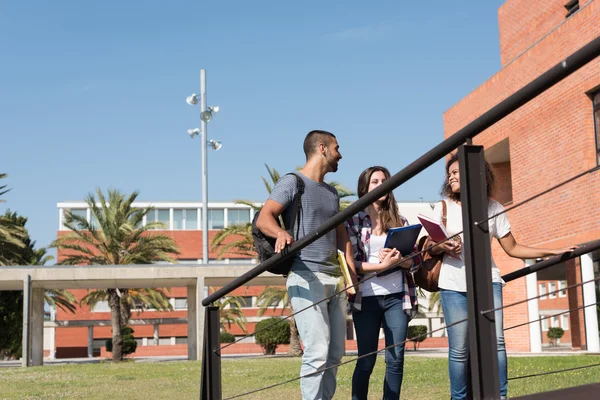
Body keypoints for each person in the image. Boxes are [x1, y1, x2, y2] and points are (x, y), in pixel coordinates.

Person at [428, 153, 576, 400]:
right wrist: (442, 247)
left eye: (455, 172)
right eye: (449, 174)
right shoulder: (443, 206)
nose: (450, 177)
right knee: (459, 350)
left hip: (489, 282)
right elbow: (429, 246)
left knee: (496, 343)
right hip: (452, 285)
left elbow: (513, 248)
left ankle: (501, 396)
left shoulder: (493, 207)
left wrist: (554, 251)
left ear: (472, 175)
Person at [256, 130, 357, 400]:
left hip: (333, 277)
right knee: (317, 350)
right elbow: (264, 218)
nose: (340, 154)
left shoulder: (331, 192)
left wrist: (349, 265)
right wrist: (280, 233)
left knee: (335, 354)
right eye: (337, 148)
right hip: (305, 275)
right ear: (322, 148)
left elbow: (340, 231)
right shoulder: (292, 182)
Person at [345, 166, 421, 400]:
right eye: (374, 182)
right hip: (366, 299)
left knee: (395, 359)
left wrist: (401, 261)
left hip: (398, 298)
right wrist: (380, 265)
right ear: (364, 188)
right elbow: (351, 264)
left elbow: (415, 262)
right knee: (366, 360)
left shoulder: (401, 221)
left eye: (384, 181)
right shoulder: (353, 220)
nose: (380, 185)